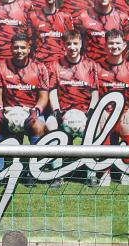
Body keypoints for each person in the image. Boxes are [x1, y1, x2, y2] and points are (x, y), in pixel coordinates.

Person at [0, 34, 50, 182]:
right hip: (9, 111)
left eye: (22, 47)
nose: (19, 50)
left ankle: (33, 170)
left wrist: (36, 111)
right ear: (11, 48)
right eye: (16, 47)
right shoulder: (1, 67)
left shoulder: (39, 68)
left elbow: (43, 96)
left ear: (29, 49)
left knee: (38, 126)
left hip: (31, 111)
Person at [47, 30, 101, 186]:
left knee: (94, 130)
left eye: (75, 43)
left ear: (81, 44)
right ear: (64, 45)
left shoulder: (90, 65)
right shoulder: (55, 65)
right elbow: (53, 90)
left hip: (83, 113)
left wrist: (90, 113)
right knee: (50, 125)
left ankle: (91, 174)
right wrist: (57, 112)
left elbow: (95, 92)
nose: (72, 47)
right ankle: (57, 174)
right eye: (69, 44)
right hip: (63, 113)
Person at [96, 29, 129, 186]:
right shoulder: (98, 67)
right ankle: (105, 171)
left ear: (124, 45)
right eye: (111, 43)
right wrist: (99, 112)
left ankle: (124, 170)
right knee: (101, 123)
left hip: (124, 112)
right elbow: (95, 94)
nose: (114, 46)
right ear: (105, 46)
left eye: (117, 43)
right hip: (105, 112)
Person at [74, 0, 129, 66]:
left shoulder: (122, 17)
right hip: (91, 67)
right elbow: (76, 44)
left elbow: (128, 45)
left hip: (114, 68)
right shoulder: (83, 17)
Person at [29, 0, 75, 66]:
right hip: (40, 63)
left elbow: (72, 40)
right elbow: (30, 41)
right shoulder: (33, 16)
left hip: (61, 64)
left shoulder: (66, 16)